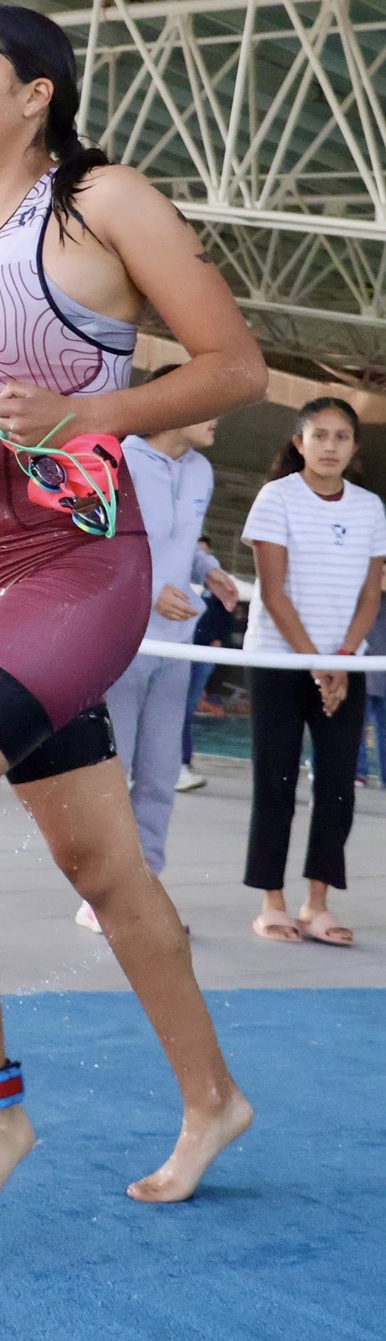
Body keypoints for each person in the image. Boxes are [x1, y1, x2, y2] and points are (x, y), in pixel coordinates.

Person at [0, 5, 267, 1230]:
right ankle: (213, 1097)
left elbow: (235, 366)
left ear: (37, 92)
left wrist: (93, 415)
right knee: (103, 865)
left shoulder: (99, 204)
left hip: (81, 570)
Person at [75, 373, 238, 931]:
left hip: (176, 649)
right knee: (111, 773)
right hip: (122, 641)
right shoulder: (118, 461)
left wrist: (208, 570)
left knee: (160, 775)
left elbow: (181, 543)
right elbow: (93, 548)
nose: (218, 416)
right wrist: (147, 594)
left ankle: (142, 888)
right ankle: (102, 894)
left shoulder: (202, 471)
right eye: (207, 403)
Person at [243, 398, 386, 946]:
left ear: (354, 447)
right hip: (280, 660)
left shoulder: (370, 508)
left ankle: (317, 903)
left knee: (337, 786)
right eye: (319, 435)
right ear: (299, 443)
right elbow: (274, 594)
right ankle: (272, 901)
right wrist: (318, 663)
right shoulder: (276, 498)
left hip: (344, 664)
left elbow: (370, 597)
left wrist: (342, 659)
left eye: (341, 436)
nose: (330, 446)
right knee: (275, 781)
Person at [177, 536, 238, 792]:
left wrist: (218, 640)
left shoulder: (212, 589)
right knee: (175, 706)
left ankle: (181, 761)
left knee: (186, 707)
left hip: (202, 651)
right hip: (178, 647)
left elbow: (227, 615)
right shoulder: (177, 582)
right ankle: (177, 762)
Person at [355, 565, 386, 786]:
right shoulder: (364, 600)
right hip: (364, 673)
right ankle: (358, 772)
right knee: (357, 725)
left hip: (381, 675)